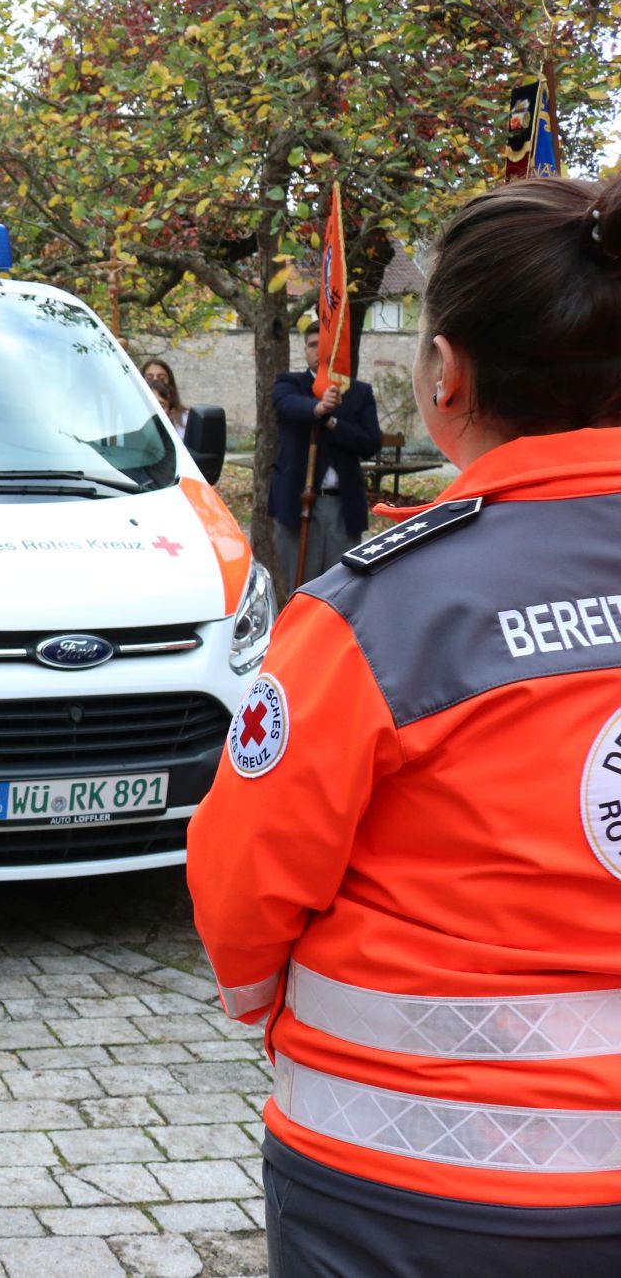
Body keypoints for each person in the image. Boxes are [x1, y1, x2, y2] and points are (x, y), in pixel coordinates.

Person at [188, 174, 621, 1277]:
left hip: (416, 1188)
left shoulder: (378, 613)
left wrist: (262, 1001)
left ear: (442, 374)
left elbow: (244, 883)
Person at [267, 325, 381, 586]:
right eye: (312, 344)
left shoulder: (359, 392)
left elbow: (370, 442)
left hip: (343, 506)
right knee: (301, 587)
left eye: (324, 345)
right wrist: (318, 408)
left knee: (340, 586)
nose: (318, 350)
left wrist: (333, 423)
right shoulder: (290, 383)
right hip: (299, 505)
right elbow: (286, 405)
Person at [142, 358, 206, 454]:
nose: (155, 382)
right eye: (149, 378)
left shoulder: (187, 419)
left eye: (161, 379)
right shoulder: (128, 416)